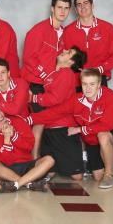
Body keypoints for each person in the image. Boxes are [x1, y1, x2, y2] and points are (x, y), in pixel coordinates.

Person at [30, 68, 113, 188]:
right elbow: (55, 112)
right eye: (85, 84)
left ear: (99, 85)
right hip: (92, 138)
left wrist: (80, 130)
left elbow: (108, 125)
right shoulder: (76, 100)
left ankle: (109, 175)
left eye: (92, 84)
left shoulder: (110, 96)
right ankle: (99, 164)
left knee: (103, 135)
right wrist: (28, 119)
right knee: (97, 176)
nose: (88, 88)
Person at [28, 47, 87, 180]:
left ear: (71, 62)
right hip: (50, 129)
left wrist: (33, 98)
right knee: (49, 170)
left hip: (62, 130)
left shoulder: (66, 73)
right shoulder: (55, 74)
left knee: (77, 176)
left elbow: (55, 98)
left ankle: (83, 160)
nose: (64, 50)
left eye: (69, 52)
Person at [0, 103, 55, 193]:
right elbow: (4, 161)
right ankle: (29, 183)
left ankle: (16, 184)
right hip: (6, 170)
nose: (0, 116)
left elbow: (29, 147)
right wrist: (7, 139)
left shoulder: (17, 120)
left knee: (49, 160)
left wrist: (14, 136)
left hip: (26, 165)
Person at [21, 0, 72, 112]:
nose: (63, 12)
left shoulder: (65, 34)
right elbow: (28, 58)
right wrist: (46, 75)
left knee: (50, 122)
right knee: (38, 121)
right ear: (52, 8)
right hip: (34, 84)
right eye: (59, 7)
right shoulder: (38, 30)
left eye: (66, 8)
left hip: (51, 86)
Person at [63, 0, 113, 87]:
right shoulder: (67, 31)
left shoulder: (107, 28)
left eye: (86, 3)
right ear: (76, 9)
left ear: (92, 5)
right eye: (79, 5)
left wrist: (99, 69)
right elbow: (63, 57)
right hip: (76, 80)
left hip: (99, 78)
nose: (82, 7)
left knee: (102, 102)